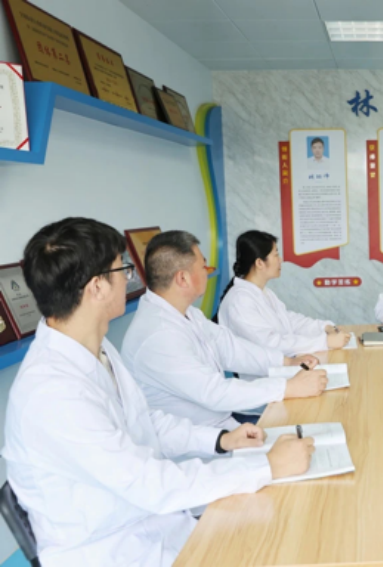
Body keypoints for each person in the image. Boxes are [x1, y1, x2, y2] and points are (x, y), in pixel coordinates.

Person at [2, 218, 317, 567]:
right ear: (97, 287)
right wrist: (266, 467)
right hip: (112, 551)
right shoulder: (52, 393)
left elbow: (144, 421)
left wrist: (220, 440)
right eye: (122, 269)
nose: (129, 279)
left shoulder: (95, 349)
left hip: (154, 526)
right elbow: (149, 484)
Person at [121, 231, 328, 430]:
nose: (207, 271)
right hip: (199, 442)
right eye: (203, 267)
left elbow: (230, 348)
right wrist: (287, 387)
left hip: (221, 425)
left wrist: (286, 362)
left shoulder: (187, 314)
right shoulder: (159, 335)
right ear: (183, 279)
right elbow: (213, 391)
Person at [216, 230, 351, 374]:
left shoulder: (263, 293)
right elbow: (271, 344)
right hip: (262, 380)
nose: (280, 260)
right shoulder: (239, 301)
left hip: (281, 372)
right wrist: (324, 342)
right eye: (276, 255)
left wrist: (324, 327)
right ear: (260, 263)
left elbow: (290, 321)